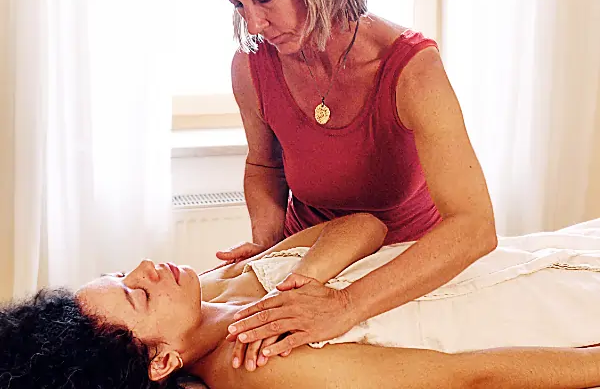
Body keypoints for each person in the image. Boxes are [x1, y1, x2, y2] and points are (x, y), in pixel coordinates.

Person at [202, 0, 498, 363]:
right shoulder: (251, 65)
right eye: (237, 5)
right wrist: (269, 249)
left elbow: (475, 228)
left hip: (402, 268)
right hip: (310, 261)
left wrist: (344, 306)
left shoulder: (411, 69)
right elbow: (264, 164)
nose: (254, 24)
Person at [4, 213, 600, 389]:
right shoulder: (266, 364)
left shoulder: (218, 284)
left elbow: (363, 226)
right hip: (545, 307)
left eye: (119, 272)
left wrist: (308, 281)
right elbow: (468, 375)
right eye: (137, 292)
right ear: (161, 362)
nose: (145, 268)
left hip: (525, 256)